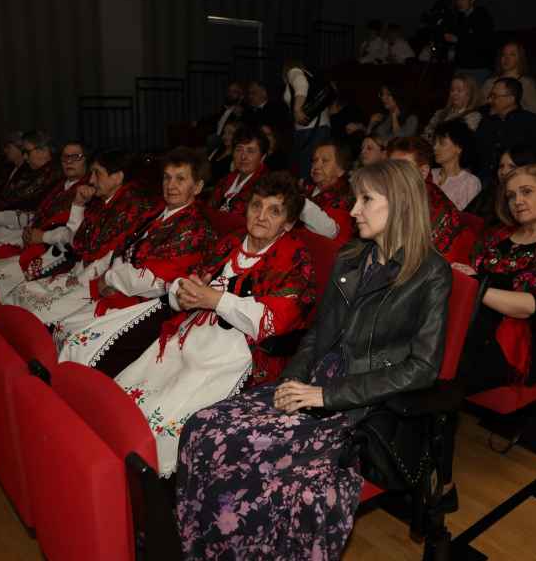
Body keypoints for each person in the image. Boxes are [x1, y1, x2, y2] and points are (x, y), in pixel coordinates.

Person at [175, 159, 450, 559]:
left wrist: (325, 395)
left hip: (362, 404)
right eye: (355, 199)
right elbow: (320, 333)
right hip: (314, 382)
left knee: (259, 466)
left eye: (366, 200)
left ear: (401, 205)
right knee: (202, 427)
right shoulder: (351, 256)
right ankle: (200, 549)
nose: (353, 210)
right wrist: (291, 380)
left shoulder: (430, 273)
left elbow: (422, 368)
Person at [115, 172, 316, 477]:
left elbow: (275, 320)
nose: (261, 216)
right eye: (256, 206)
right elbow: (191, 279)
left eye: (274, 211)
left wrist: (215, 299)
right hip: (193, 332)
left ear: (288, 223)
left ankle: (144, 471)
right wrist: (183, 293)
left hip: (237, 352)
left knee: (166, 412)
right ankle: (115, 448)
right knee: (136, 389)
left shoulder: (296, 259)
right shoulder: (232, 241)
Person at [54, 147, 217, 375]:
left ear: (197, 187)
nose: (171, 185)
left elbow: (154, 280)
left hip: (152, 308)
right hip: (119, 291)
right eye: (167, 177)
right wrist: (102, 277)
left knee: (77, 344)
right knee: (61, 327)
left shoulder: (195, 228)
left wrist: (109, 278)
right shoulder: (157, 214)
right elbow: (121, 250)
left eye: (180, 179)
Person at [452, 165, 536, 391]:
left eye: (527, 192)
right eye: (511, 195)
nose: (517, 201)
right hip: (470, 323)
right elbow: (472, 271)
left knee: (443, 363)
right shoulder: (496, 234)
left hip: (515, 342)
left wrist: (474, 286)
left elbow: (532, 307)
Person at [5, 149, 156, 325]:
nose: (91, 180)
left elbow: (111, 255)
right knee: (19, 294)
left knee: (35, 314)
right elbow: (77, 241)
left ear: (117, 177)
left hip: (96, 283)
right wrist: (78, 204)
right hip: (79, 271)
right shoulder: (102, 202)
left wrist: (79, 278)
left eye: (97, 173)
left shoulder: (131, 208)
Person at [0, 143, 90, 298]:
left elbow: (76, 233)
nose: (69, 161)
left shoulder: (87, 192)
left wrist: (42, 236)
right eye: (65, 157)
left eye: (75, 157)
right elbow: (38, 215)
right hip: (33, 240)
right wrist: (31, 231)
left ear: (86, 160)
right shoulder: (59, 185)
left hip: (59, 252)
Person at [0, 131, 63, 266]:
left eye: (27, 152)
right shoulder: (36, 172)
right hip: (15, 226)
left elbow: (35, 216)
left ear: (43, 151)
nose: (24, 157)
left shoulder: (53, 176)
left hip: (31, 233)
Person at [385, 137, 473, 263]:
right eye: (390, 168)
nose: (393, 175)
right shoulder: (387, 195)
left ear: (423, 172)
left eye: (402, 169)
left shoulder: (436, 208)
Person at [474, 77, 536, 184]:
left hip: (516, 180)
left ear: (511, 99)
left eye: (494, 96)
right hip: (482, 181)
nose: (490, 100)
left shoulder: (531, 123)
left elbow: (532, 158)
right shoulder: (486, 121)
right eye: (490, 96)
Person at [207, 125, 269, 219]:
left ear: (262, 157)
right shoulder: (225, 180)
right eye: (239, 150)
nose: (243, 156)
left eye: (250, 151)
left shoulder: (265, 186)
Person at [283, 60, 332, 178]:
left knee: (306, 169)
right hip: (320, 128)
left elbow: (301, 85)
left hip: (309, 130)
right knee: (316, 167)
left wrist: (297, 109)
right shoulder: (310, 76)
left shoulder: (293, 71)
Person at [299, 140, 354, 240]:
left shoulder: (346, 197)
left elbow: (329, 233)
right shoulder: (306, 189)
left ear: (340, 170)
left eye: (325, 161)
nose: (316, 166)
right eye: (314, 160)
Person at [466, 144, 536, 222]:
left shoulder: (529, 199)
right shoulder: (490, 191)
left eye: (512, 167)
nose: (503, 172)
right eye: (501, 166)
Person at [443, 0, 495, 84]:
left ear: (472, 0)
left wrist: (458, 40)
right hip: (461, 67)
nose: (459, 2)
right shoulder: (458, 18)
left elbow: (482, 40)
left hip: (478, 68)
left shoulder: (482, 15)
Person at [480, 42, 536, 115]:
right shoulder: (490, 82)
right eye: (503, 54)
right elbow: (480, 107)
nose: (506, 58)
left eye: (512, 54)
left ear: (520, 58)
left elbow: (535, 112)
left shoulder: (527, 83)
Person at [431, 120, 481, 210]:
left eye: (442, 143)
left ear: (459, 148)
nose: (435, 147)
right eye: (434, 143)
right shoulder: (429, 174)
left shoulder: (470, 182)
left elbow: (468, 216)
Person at [422, 72, 483, 141]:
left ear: (470, 94)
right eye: (452, 90)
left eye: (459, 90)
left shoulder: (473, 116)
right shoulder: (440, 113)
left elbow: (459, 140)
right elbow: (427, 133)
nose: (454, 93)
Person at [351, 84, 418, 139]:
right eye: (382, 94)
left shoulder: (412, 119)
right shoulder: (386, 117)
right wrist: (368, 126)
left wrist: (394, 115)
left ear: (397, 95)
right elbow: (373, 140)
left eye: (388, 94)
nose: (383, 98)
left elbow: (399, 140)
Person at [207, 119, 237, 184]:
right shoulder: (218, 149)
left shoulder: (236, 158)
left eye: (230, 133)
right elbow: (207, 164)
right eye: (224, 133)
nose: (225, 136)